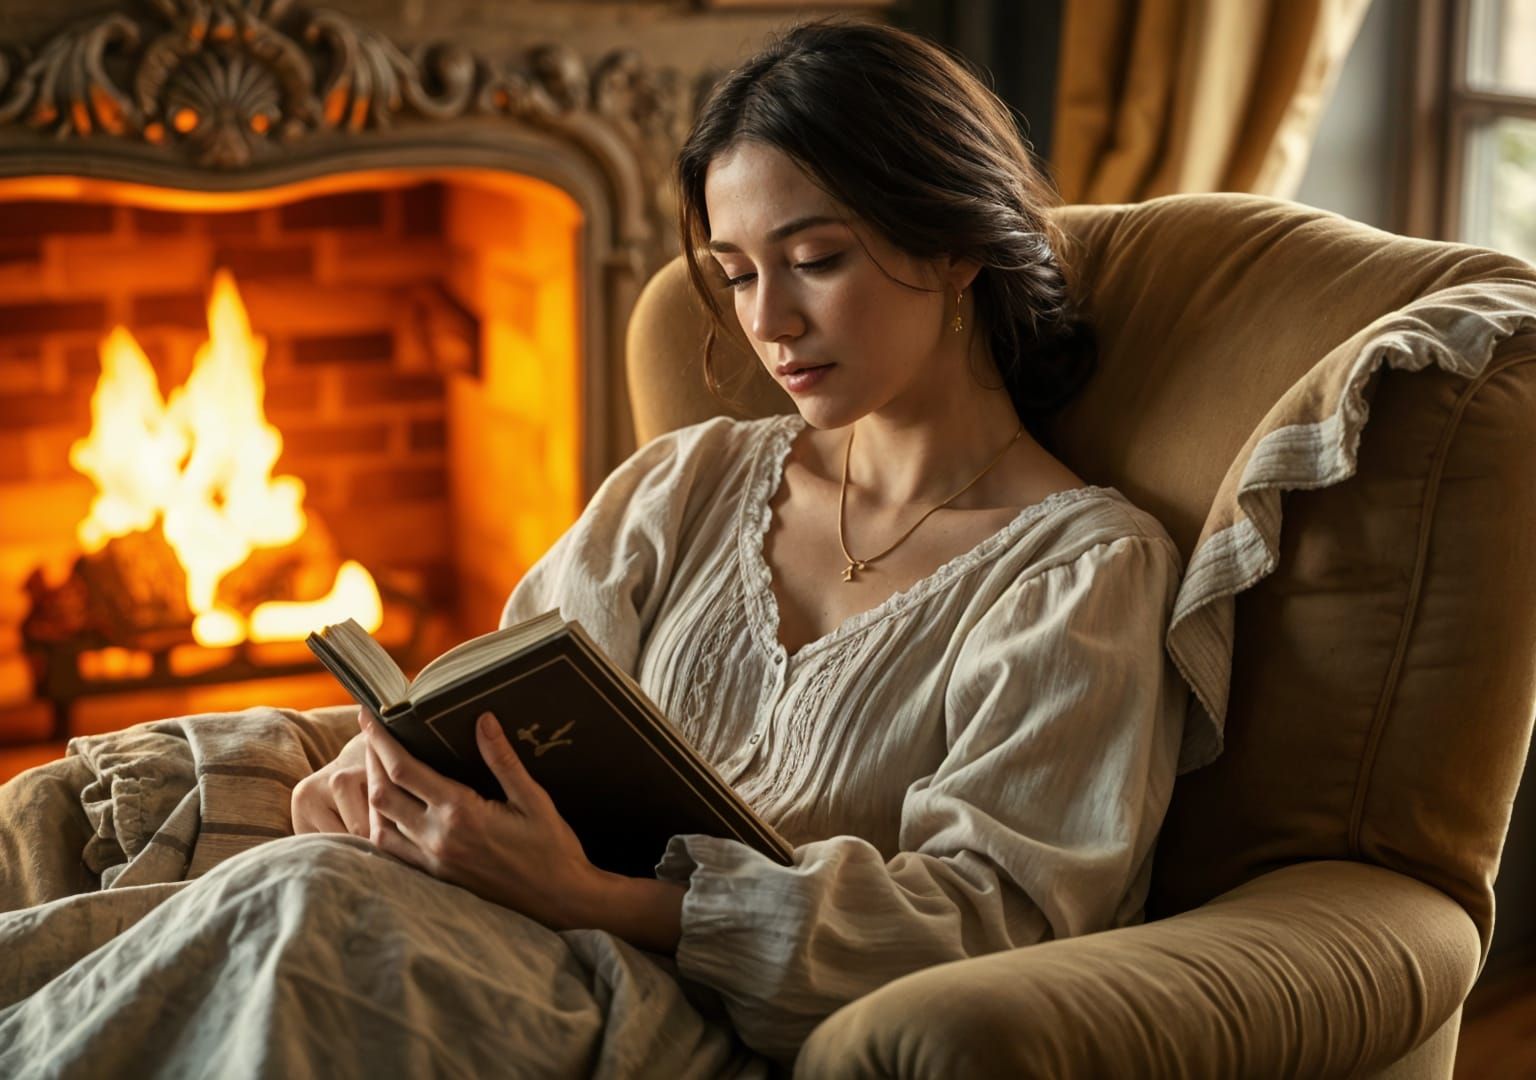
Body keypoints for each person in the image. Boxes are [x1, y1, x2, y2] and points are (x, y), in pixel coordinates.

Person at [0, 17, 1189, 1076]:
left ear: (953, 245)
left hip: (672, 1011)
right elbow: (491, 707)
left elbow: (991, 921)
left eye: (816, 262)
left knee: (305, 909)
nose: (769, 322)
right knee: (139, 857)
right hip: (484, 929)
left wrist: (608, 900)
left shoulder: (1079, 578)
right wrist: (392, 785)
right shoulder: (688, 485)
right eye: (735, 275)